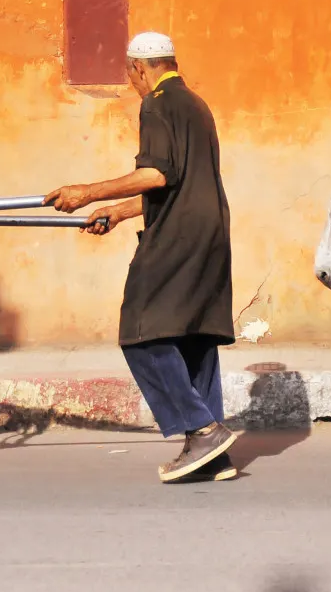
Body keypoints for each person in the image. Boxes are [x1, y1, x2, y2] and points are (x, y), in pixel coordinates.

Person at [46, 32, 240, 483]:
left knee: (142, 330)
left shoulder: (156, 102)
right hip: (210, 232)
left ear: (139, 68)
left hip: (178, 237)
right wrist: (116, 211)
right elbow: (180, 182)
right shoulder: (196, 105)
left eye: (131, 75)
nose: (132, 82)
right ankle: (211, 451)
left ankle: (203, 429)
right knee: (192, 334)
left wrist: (85, 191)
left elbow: (155, 173)